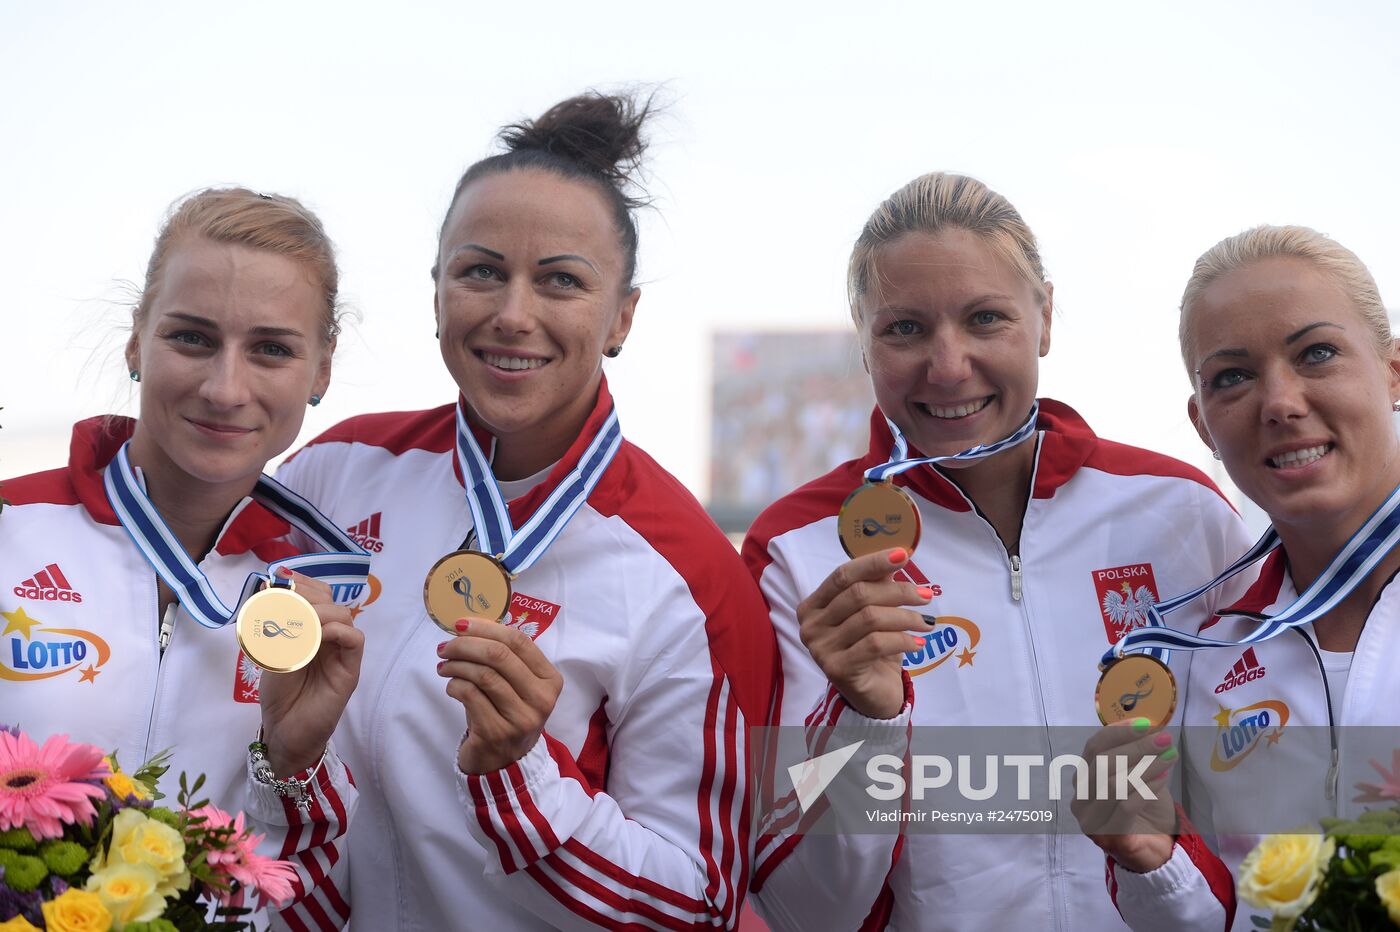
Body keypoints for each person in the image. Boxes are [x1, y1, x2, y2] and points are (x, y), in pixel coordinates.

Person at [274, 91, 777, 930]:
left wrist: (520, 776)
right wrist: (284, 762)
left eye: (561, 282)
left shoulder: (690, 576)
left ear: (622, 317)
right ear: (436, 290)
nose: (513, 314)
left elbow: (699, 900)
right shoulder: (334, 474)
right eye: (480, 271)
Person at [742, 171, 1252, 930]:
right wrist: (865, 721)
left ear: (1044, 318)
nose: (948, 367)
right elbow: (804, 911)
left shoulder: (1181, 511)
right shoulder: (799, 548)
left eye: (986, 319)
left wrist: (1162, 862)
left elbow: (1264, 823)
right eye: (904, 329)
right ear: (862, 336)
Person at [0, 188, 365, 929]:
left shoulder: (320, 600)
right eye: (192, 338)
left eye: (271, 349)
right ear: (136, 341)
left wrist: (290, 764)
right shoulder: (11, 528)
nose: (226, 388)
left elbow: (303, 892)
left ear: (320, 371)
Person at [1076, 225, 1400, 930]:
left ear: (1394, 370)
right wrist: (1153, 860)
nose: (1279, 402)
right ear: (1202, 425)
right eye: (1232, 376)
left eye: (1317, 353)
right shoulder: (1203, 658)